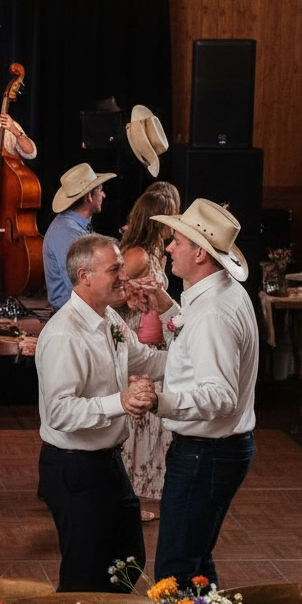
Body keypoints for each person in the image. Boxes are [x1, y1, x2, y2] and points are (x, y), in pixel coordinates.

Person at [35, 233, 170, 604]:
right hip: (73, 467)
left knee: (128, 564)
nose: (123, 276)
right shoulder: (64, 334)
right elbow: (59, 412)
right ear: (84, 276)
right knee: (81, 578)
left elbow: (148, 360)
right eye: (114, 269)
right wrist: (120, 402)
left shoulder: (109, 319)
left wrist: (187, 345)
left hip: (107, 463)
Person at [149, 199, 259, 590]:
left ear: (199, 253)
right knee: (195, 564)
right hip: (214, 452)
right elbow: (194, 348)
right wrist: (166, 309)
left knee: (174, 572)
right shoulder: (219, 295)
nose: (168, 248)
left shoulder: (213, 311)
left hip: (206, 454)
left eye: (176, 241)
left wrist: (159, 401)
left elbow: (220, 395)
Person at [115, 182, 181, 522]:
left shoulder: (156, 253)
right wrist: (129, 297)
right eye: (172, 215)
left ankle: (132, 497)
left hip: (153, 340)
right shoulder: (137, 254)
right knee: (136, 423)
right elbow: (109, 293)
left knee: (150, 426)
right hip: (137, 341)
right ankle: (124, 500)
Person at [42, 163, 117, 310]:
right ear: (89, 196)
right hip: (74, 313)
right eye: (100, 190)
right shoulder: (68, 231)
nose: (103, 195)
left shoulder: (73, 227)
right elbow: (79, 286)